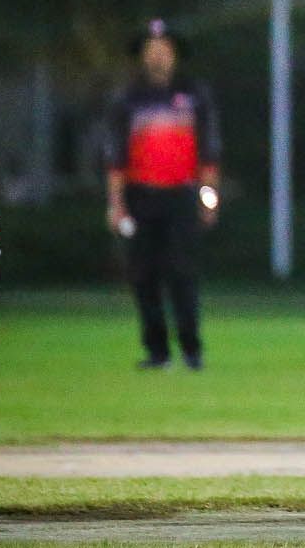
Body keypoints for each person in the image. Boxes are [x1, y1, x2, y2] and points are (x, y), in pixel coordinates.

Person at [105, 19, 221, 372]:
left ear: (175, 55)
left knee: (183, 272)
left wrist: (208, 197)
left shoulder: (194, 95)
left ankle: (191, 350)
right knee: (143, 275)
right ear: (142, 56)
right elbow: (116, 157)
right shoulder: (128, 99)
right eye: (151, 50)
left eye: (164, 50)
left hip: (182, 195)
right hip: (141, 197)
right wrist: (116, 204)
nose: (158, 56)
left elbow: (209, 152)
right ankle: (158, 352)